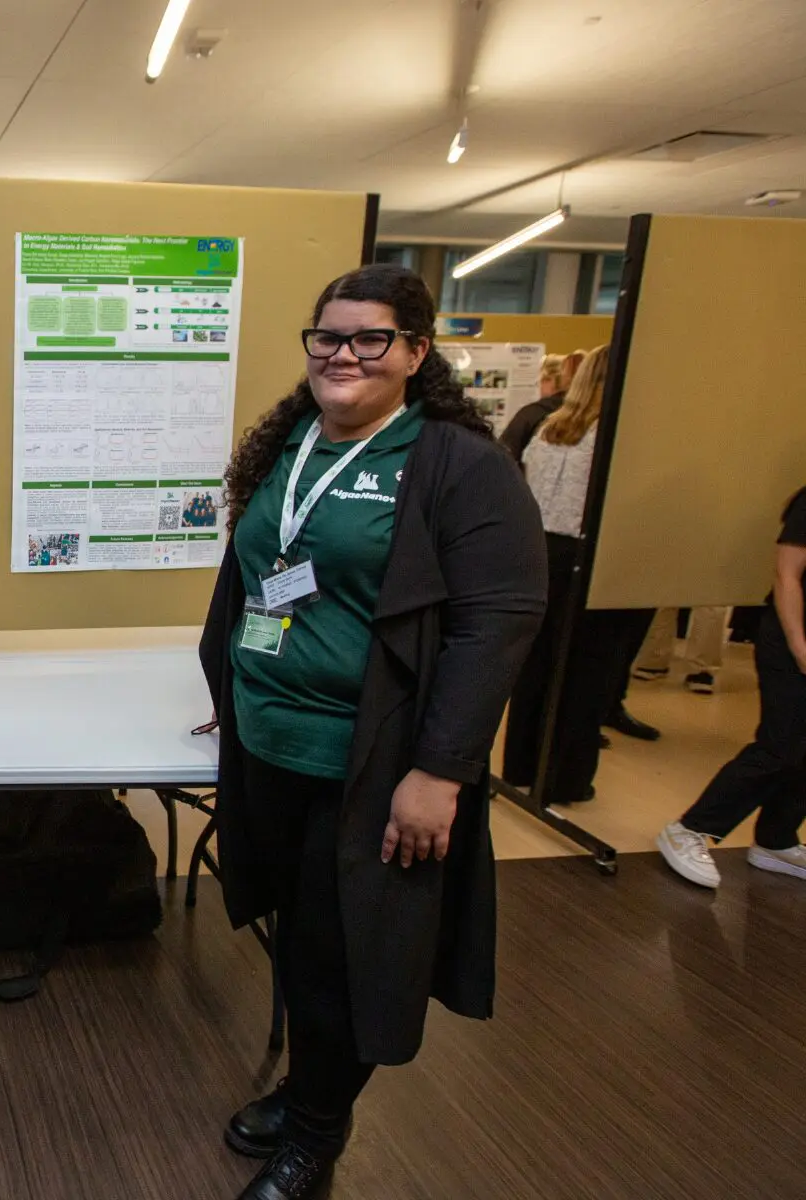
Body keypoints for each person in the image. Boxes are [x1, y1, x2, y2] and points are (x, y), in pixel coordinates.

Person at [199, 264, 545, 1199]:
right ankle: (309, 1089)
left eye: (370, 338)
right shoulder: (291, 443)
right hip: (270, 743)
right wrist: (238, 682)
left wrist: (440, 771)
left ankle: (315, 1135)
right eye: (327, 336)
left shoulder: (455, 464)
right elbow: (264, 575)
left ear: (417, 352)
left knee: (342, 955)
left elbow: (497, 621)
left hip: (374, 761)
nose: (343, 354)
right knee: (298, 934)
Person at [502, 347, 655, 803]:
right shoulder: (619, 436)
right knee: (588, 674)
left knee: (535, 666)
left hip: (538, 552)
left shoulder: (548, 427)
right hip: (589, 558)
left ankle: (520, 766)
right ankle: (566, 778)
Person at [657, 489, 806, 889]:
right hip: (793, 638)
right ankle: (689, 829)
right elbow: (787, 575)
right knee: (781, 745)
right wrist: (799, 645)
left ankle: (776, 839)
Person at [499, 348, 584, 464]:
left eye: (542, 380)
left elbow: (504, 457)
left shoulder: (531, 414)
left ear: (551, 380)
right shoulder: (586, 413)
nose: (539, 386)